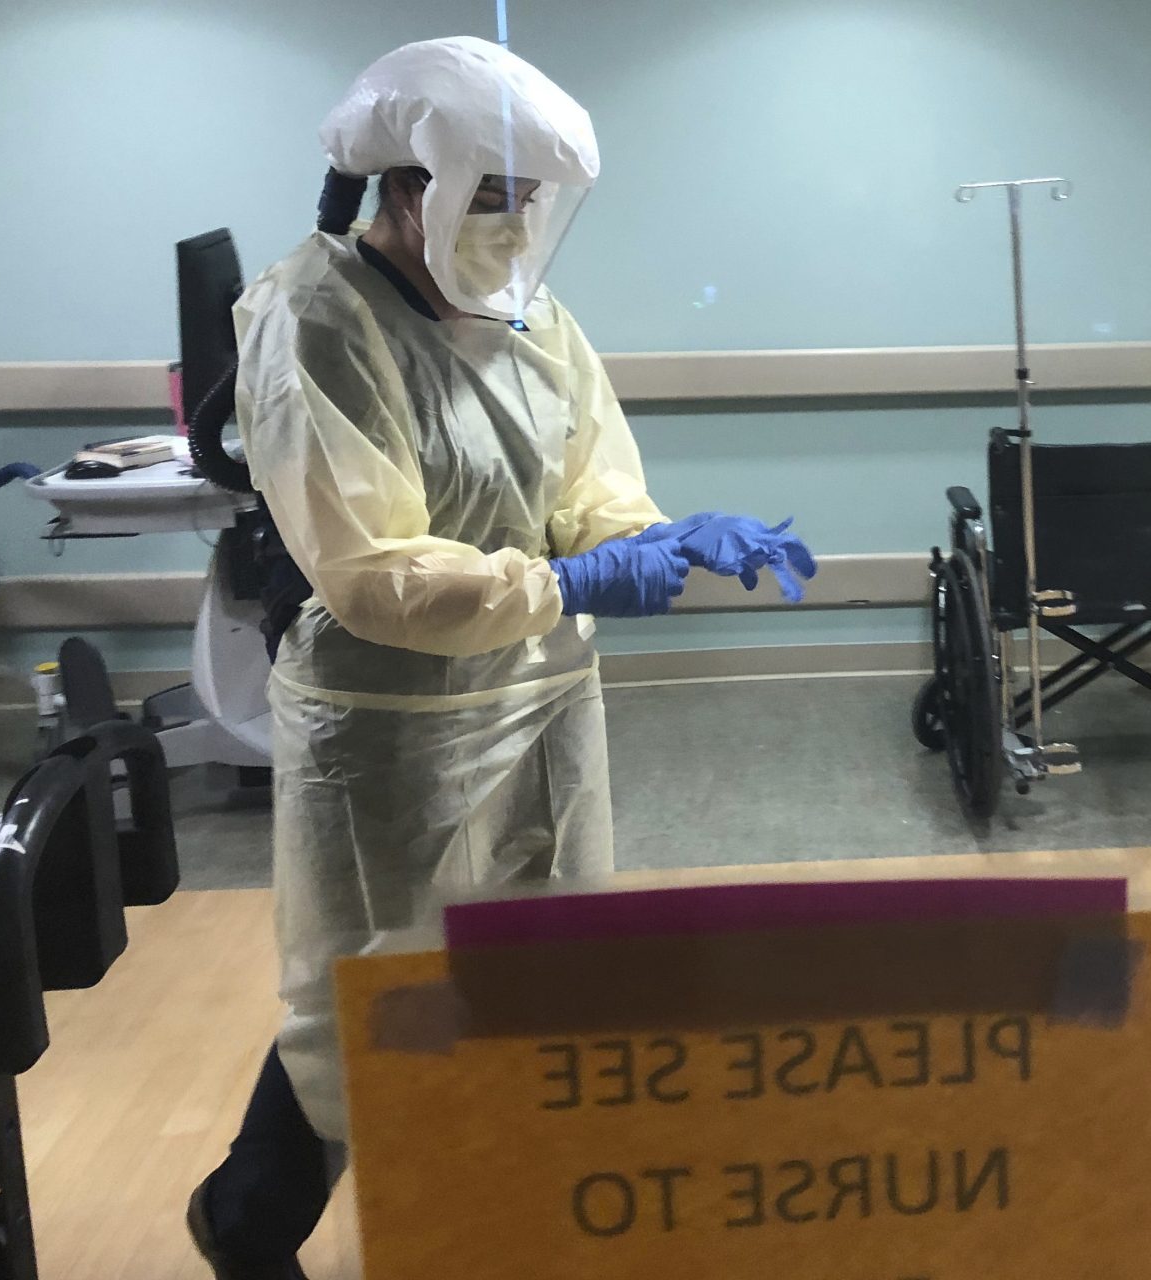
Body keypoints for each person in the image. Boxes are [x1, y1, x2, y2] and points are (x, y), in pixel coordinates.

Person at [185, 37, 815, 1279]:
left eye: (532, 199)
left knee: (539, 970)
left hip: (538, 698)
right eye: (496, 193)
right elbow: (370, 572)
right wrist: (567, 580)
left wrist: (658, 538)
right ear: (409, 186)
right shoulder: (314, 320)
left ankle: (494, 1217)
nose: (517, 222)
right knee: (374, 1000)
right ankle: (249, 1218)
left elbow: (587, 480)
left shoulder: (527, 310)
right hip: (392, 717)